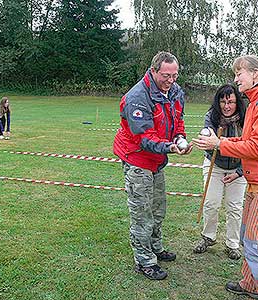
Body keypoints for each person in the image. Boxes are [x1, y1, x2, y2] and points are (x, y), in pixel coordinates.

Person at [193, 54, 258, 300]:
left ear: (255, 74)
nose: (236, 78)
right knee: (248, 235)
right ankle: (250, 284)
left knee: (256, 243)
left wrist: (221, 143)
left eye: (240, 73)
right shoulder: (256, 102)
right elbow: (247, 140)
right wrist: (220, 143)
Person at [113, 51, 192, 280]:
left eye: (175, 75)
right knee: (142, 212)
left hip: (157, 161)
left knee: (158, 208)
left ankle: (155, 248)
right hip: (137, 158)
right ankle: (144, 261)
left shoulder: (175, 92)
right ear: (154, 70)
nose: (171, 80)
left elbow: (178, 121)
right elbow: (144, 137)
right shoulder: (137, 97)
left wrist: (179, 138)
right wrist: (170, 147)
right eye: (166, 75)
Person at [193, 84, 247, 260]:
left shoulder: (246, 119)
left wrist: (240, 171)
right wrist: (210, 140)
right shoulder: (211, 117)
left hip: (239, 169)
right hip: (214, 165)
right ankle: (208, 237)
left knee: (235, 207)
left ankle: (232, 243)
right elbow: (208, 141)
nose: (227, 106)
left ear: (237, 102)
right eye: (223, 101)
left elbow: (250, 148)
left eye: (231, 101)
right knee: (211, 203)